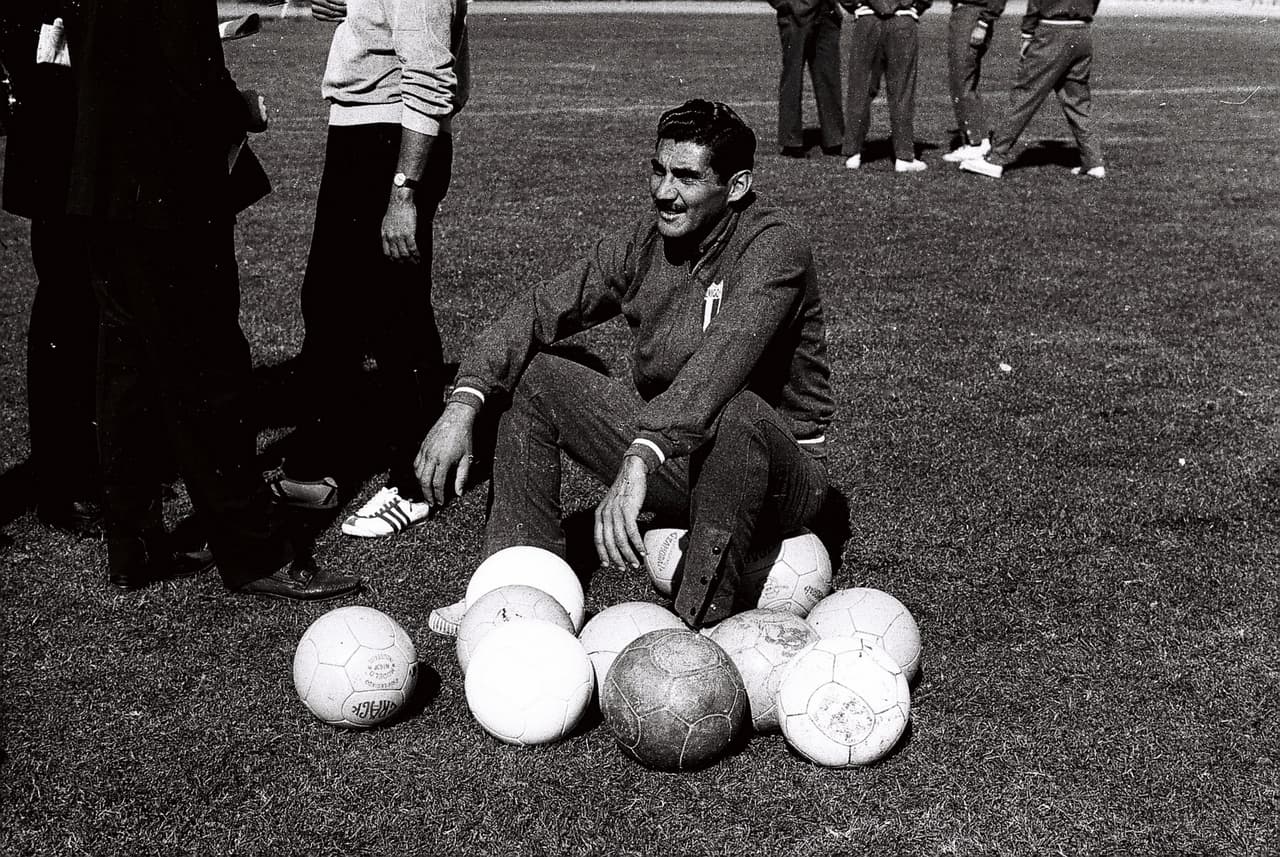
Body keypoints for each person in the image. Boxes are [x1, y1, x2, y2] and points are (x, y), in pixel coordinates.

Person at [414, 100, 835, 635]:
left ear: (735, 187)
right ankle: (517, 593)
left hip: (779, 474)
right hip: (679, 457)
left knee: (736, 413)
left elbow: (720, 366)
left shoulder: (775, 248)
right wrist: (464, 401)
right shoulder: (644, 244)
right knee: (539, 378)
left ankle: (699, 631)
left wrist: (641, 455)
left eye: (685, 176)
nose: (663, 190)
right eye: (658, 170)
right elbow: (541, 308)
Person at [65, 0, 361, 599]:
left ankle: (134, 539)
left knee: (126, 370)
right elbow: (188, 71)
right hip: (165, 195)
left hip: (107, 186)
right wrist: (239, 109)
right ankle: (252, 550)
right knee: (211, 373)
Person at [266, 0, 470, 539]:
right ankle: (316, 467)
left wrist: (403, 191)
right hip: (365, 133)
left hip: (390, 143)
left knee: (394, 313)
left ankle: (415, 484)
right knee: (332, 306)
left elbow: (430, 74)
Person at [0, 3, 101, 533]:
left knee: (89, 302)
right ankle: (64, 481)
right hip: (58, 127)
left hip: (80, 120)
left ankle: (83, 468)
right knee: (68, 302)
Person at [959, 0, 1104, 179]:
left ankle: (994, 158)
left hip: (1053, 32)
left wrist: (1027, 33)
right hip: (1082, 32)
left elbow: (1035, 3)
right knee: (1077, 99)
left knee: (1025, 95)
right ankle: (1093, 161)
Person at [840, 0, 932, 173]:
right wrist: (916, 7)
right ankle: (904, 155)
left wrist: (856, 6)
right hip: (902, 21)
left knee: (860, 88)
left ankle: (853, 152)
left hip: (868, 21)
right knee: (902, 90)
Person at [766, 0, 845, 158]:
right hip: (795, 17)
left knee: (829, 78)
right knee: (792, 78)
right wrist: (786, 5)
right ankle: (791, 141)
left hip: (827, 13)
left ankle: (835, 139)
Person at [941, 0, 1007, 162]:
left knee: (961, 78)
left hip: (972, 15)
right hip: (965, 14)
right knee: (962, 79)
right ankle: (976, 139)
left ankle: (976, 143)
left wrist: (984, 22)